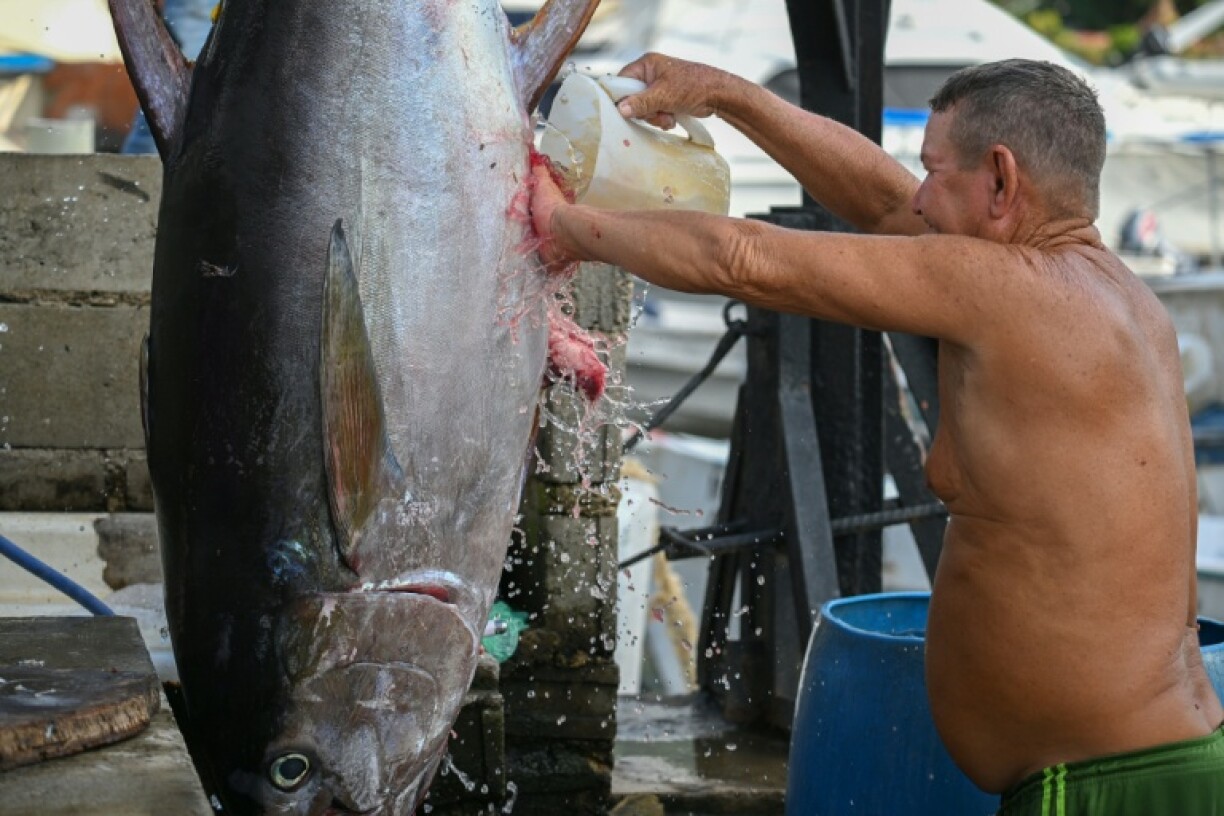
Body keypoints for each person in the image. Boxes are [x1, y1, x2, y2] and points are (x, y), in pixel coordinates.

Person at [529, 53, 1224, 815]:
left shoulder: (1009, 292)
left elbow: (745, 258)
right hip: (1151, 762)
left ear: (1001, 179)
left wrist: (559, 223)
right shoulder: (1115, 298)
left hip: (1103, 789)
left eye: (934, 171)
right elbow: (887, 203)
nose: (920, 197)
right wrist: (728, 97)